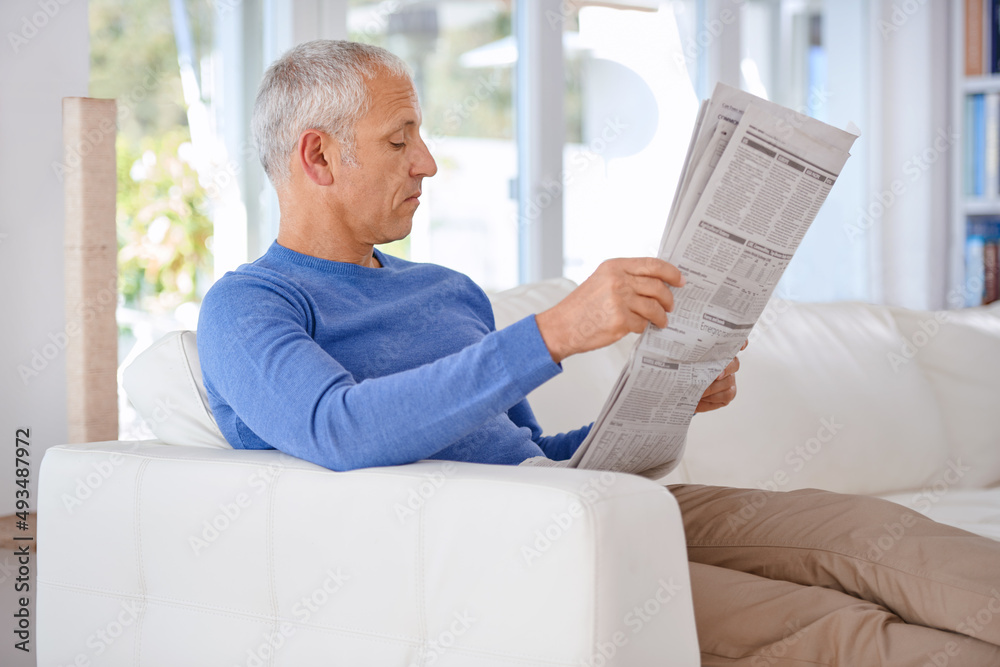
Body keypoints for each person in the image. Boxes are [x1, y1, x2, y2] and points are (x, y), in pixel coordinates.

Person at [197, 40, 1000, 666]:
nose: (428, 162)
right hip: (520, 556)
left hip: (590, 500)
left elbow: (528, 452)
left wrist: (666, 401)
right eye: (400, 139)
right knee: (839, 630)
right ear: (318, 157)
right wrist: (552, 332)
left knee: (869, 533)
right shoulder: (250, 306)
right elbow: (342, 430)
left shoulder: (447, 289)